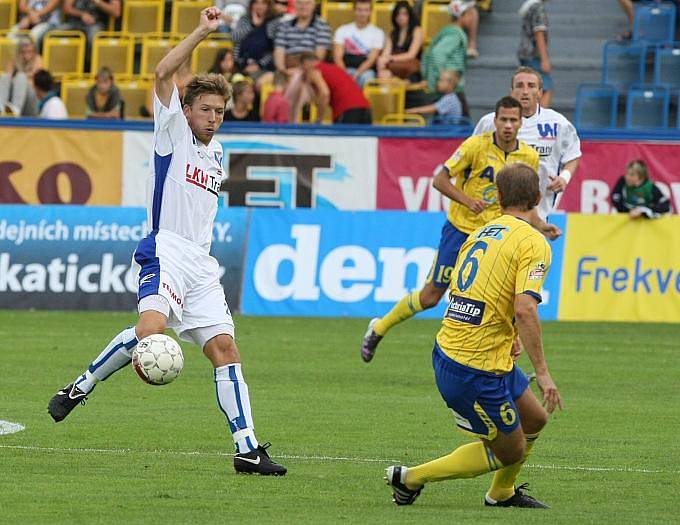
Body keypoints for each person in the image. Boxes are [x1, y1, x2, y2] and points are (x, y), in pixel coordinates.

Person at [47, 7, 286, 476]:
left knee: (225, 350)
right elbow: (161, 72)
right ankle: (80, 386)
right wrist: (202, 31)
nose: (214, 118)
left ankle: (247, 448)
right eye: (206, 110)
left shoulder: (216, 153)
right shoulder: (171, 132)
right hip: (165, 250)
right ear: (187, 109)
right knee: (150, 329)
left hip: (201, 263)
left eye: (220, 111)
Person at [384, 162, 562, 509]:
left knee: (536, 419)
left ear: (497, 197)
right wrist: (542, 372)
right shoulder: (534, 243)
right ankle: (409, 478)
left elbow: (474, 296)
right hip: (473, 367)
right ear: (539, 197)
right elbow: (525, 307)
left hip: (470, 351)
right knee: (511, 450)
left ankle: (501, 494)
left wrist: (509, 335)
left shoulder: (480, 233)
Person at [361, 96, 538, 362]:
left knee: (501, 298)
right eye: (503, 119)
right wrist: (467, 201)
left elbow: (524, 202)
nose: (508, 125)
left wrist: (542, 225)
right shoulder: (475, 146)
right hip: (462, 230)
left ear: (521, 122)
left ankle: (503, 366)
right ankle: (378, 328)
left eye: (513, 120)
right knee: (431, 296)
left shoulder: (529, 156)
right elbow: (440, 179)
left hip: (497, 236)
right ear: (495, 120)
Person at [473, 66, 581, 236]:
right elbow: (471, 157)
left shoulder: (558, 124)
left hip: (537, 215)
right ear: (511, 91)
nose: (525, 91)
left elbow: (573, 155)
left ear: (540, 92)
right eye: (519, 85)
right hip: (491, 214)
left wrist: (564, 178)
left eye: (531, 86)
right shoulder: (488, 122)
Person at [300, 51, 372, 124]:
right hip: (365, 108)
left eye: (303, 69)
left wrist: (319, 119)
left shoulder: (314, 70)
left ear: (305, 64)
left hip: (347, 110)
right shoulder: (334, 68)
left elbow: (325, 93)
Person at [421, 0, 471, 98]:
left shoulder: (449, 32)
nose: (471, 18)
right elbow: (437, 54)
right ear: (461, 17)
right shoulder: (454, 35)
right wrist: (442, 80)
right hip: (447, 90)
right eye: (469, 15)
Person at [332, 0, 385, 88]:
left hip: (366, 70)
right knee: (338, 77)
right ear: (354, 11)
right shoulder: (342, 30)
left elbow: (372, 59)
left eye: (366, 10)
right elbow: (337, 57)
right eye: (359, 10)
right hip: (346, 67)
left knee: (367, 78)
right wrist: (345, 75)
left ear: (370, 12)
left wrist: (357, 74)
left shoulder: (378, 33)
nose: (362, 13)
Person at [232, 0, 281, 88]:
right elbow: (235, 37)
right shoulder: (245, 19)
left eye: (263, 3)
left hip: (263, 67)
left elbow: (273, 50)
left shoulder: (274, 22)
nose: (259, 6)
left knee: (250, 85)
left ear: (268, 6)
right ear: (251, 5)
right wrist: (252, 25)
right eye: (256, 3)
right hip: (240, 65)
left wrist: (259, 65)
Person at [517, 0, 551, 107]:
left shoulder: (530, 7)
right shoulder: (538, 9)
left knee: (528, 90)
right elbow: (539, 33)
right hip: (534, 55)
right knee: (545, 90)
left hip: (525, 54)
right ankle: (537, 121)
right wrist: (544, 59)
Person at [377, 1, 422, 80]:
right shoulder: (392, 34)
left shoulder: (417, 31)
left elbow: (411, 55)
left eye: (404, 14)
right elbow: (386, 53)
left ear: (409, 15)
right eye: (398, 14)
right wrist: (382, 60)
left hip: (410, 69)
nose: (401, 17)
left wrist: (390, 58)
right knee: (382, 69)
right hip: (395, 67)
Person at [0, 38, 42, 117]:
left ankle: (16, 109)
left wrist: (19, 77)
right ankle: (1, 107)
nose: (26, 55)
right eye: (23, 52)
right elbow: (8, 75)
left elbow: (35, 79)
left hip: (31, 99)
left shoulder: (38, 59)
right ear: (19, 52)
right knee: (5, 77)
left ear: (34, 51)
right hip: (13, 96)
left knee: (21, 76)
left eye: (29, 51)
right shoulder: (15, 60)